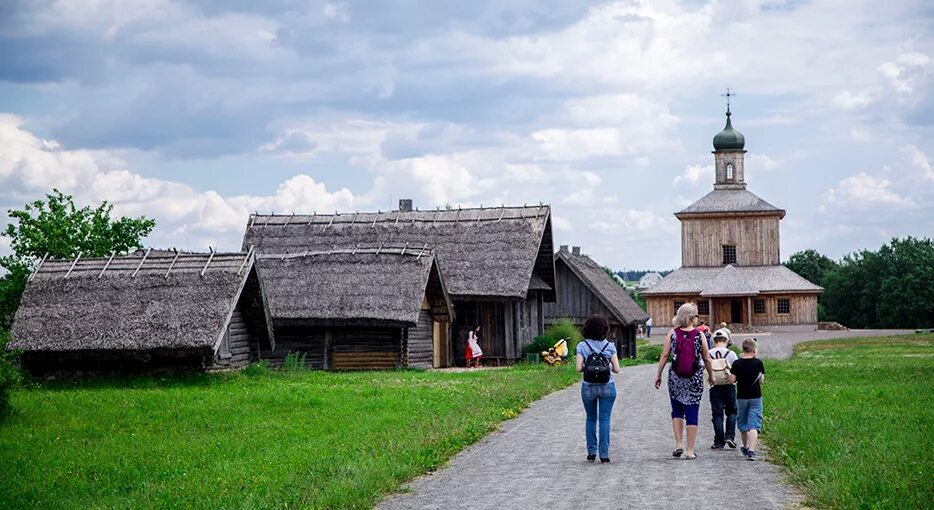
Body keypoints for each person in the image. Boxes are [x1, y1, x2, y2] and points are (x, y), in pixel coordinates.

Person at [654, 302, 715, 460]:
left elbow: (665, 355)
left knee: (677, 410)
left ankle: (678, 443)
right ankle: (689, 450)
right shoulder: (699, 335)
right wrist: (711, 376)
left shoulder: (672, 334)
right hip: (694, 378)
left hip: (675, 377)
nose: (697, 319)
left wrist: (658, 374)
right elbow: (707, 358)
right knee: (692, 412)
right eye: (696, 316)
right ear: (691, 317)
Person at [576, 315, 622, 463]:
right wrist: (604, 366)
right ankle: (604, 454)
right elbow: (617, 369)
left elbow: (578, 368)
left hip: (588, 387)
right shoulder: (610, 346)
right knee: (604, 419)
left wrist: (589, 367)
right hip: (607, 386)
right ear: (605, 329)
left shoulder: (582, 346)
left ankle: (591, 452)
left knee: (590, 419)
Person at [731, 338, 765, 461]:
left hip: (741, 397)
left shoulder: (737, 363)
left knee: (743, 423)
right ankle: (751, 451)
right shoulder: (758, 363)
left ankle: (745, 446)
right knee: (754, 424)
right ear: (754, 349)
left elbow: (732, 379)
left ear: (743, 349)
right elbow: (761, 380)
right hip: (755, 396)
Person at [708, 329, 738, 449]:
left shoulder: (709, 353)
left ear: (714, 341)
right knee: (731, 412)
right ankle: (729, 436)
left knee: (717, 415)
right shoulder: (731, 354)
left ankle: (718, 441)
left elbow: (702, 366)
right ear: (726, 341)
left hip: (715, 386)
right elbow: (736, 368)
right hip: (729, 385)